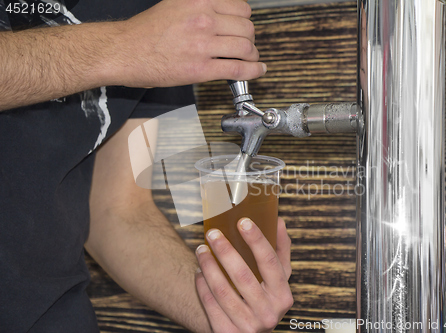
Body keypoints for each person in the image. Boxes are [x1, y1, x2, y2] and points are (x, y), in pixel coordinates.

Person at [0, 0, 293, 332]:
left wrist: (222, 308)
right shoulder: (151, 32)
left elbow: (119, 210)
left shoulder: (166, 10)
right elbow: (135, 46)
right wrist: (124, 45)